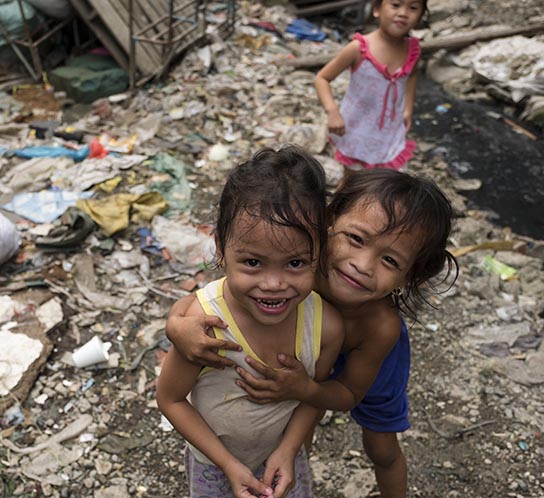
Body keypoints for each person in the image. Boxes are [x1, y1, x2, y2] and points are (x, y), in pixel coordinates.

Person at [167, 169, 457, 498]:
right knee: (297, 423)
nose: (362, 264)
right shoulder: (296, 265)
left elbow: (348, 395)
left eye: (390, 260)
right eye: (356, 239)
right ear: (326, 225)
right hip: (305, 356)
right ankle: (287, 465)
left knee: (382, 447)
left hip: (367, 363)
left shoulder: (382, 328)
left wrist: (304, 388)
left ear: (409, 278)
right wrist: (176, 325)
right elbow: (211, 297)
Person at [156, 146, 344, 498]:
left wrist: (288, 450)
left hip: (284, 458)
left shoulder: (325, 326)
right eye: (254, 263)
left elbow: (314, 395)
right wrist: (227, 464)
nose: (274, 284)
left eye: (295, 263)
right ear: (221, 249)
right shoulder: (203, 326)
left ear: (319, 253)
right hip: (215, 466)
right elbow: (171, 399)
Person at [314, 0, 428, 174]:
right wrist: (332, 112)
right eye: (396, 5)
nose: (403, 13)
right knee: (352, 183)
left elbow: (411, 75)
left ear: (420, 17)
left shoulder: (413, 50)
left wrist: (408, 109)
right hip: (355, 129)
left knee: (386, 184)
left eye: (413, 8)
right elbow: (322, 78)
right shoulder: (359, 48)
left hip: (389, 133)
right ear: (376, 9)